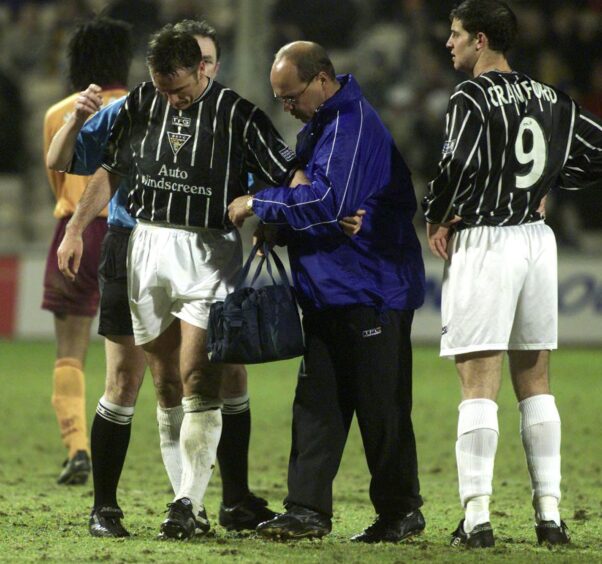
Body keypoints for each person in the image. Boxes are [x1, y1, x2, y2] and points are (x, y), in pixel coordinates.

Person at [56, 24, 306, 540]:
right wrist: (76, 228)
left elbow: (290, 174)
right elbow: (110, 168)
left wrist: (302, 213)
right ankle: (182, 503)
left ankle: (189, 499)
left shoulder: (238, 114)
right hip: (145, 246)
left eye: (181, 88)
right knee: (165, 382)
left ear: (202, 69)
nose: (172, 99)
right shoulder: (143, 102)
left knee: (199, 374)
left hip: (208, 251)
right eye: (163, 88)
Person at [228, 41, 426, 543]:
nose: (286, 107)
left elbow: (324, 198)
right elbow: (324, 203)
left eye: (291, 96)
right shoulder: (322, 126)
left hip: (369, 287)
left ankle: (401, 510)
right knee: (317, 404)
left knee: (380, 407)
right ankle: (307, 509)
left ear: (321, 80)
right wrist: (286, 218)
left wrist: (259, 203)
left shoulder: (351, 124)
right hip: (329, 289)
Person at [423, 0, 602, 549]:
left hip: (489, 238)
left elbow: (455, 163)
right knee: (536, 381)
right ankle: (549, 516)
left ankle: (476, 521)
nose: (448, 43)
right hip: (535, 241)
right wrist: (547, 183)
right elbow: (595, 153)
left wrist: (434, 212)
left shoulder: (471, 96)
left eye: (455, 35)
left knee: (479, 383)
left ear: (480, 40)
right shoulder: (552, 97)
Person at [42, 15, 133, 487]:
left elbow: (55, 176)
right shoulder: (143, 108)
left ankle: (77, 448)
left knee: (70, 350)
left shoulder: (59, 112)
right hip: (129, 233)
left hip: (71, 232)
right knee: (138, 353)